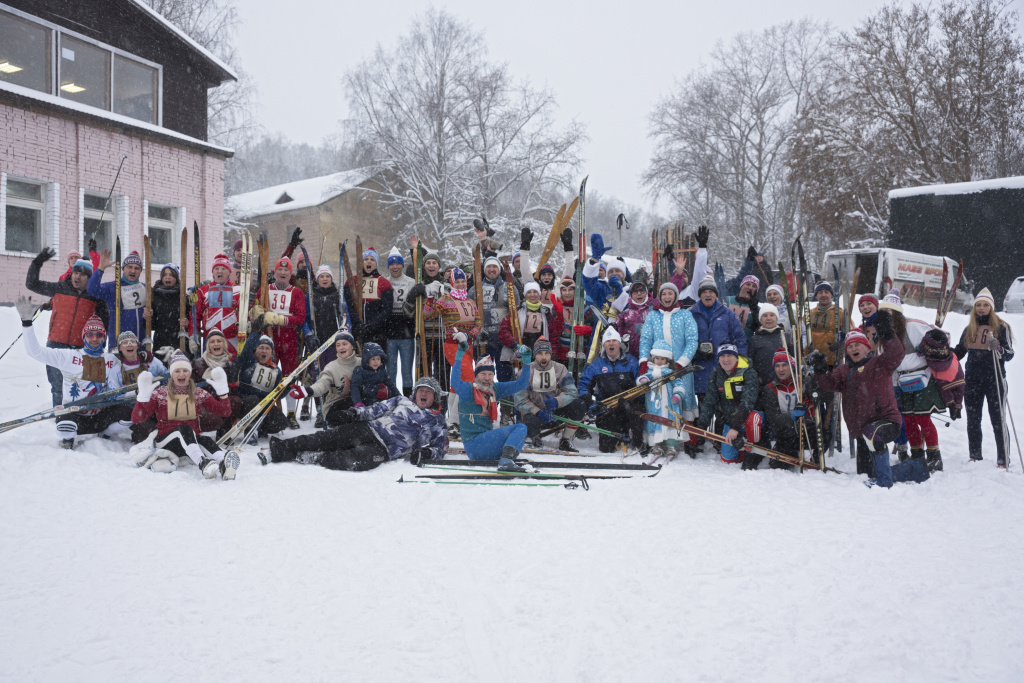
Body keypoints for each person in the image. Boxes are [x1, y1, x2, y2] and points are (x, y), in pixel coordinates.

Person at [812, 317, 929, 487]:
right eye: (850, 347)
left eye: (857, 345)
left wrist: (887, 333)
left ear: (867, 348)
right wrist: (820, 369)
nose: (854, 348)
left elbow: (897, 353)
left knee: (872, 437)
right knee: (867, 473)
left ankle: (884, 482)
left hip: (886, 422)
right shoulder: (844, 370)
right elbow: (828, 384)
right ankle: (918, 469)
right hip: (861, 432)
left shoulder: (880, 363)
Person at [262, 377, 447, 471]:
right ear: (415, 393)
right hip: (368, 430)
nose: (423, 394)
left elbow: (441, 447)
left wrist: (428, 453)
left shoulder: (437, 421)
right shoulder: (401, 401)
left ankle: (311, 457)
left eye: (428, 392)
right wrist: (352, 413)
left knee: (354, 460)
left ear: (435, 397)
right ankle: (281, 448)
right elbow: (375, 409)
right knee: (327, 438)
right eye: (421, 390)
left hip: (385, 450)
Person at [17, 299, 128, 449]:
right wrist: (27, 323)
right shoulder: (68, 356)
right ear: (84, 336)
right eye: (90, 334)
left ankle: (105, 433)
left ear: (103, 337)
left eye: (98, 334)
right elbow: (35, 352)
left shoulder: (112, 359)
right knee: (64, 424)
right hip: (75, 416)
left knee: (131, 412)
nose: (94, 338)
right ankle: (68, 440)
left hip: (101, 416)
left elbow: (133, 368)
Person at [131, 350, 238, 479]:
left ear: (190, 373)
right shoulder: (160, 394)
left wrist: (223, 393)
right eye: (177, 371)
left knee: (205, 439)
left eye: (185, 370)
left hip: (188, 444)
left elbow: (224, 412)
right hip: (165, 441)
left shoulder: (198, 393)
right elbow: (137, 418)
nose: (181, 374)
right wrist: (142, 397)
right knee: (184, 429)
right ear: (172, 374)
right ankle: (203, 463)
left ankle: (223, 464)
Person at [25, 247, 108, 406]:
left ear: (89, 277)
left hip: (81, 348)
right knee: (57, 387)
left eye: (83, 274)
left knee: (83, 386)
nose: (78, 276)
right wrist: (37, 262)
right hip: (56, 344)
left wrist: (101, 345)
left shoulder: (95, 297)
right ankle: (59, 417)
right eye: (76, 272)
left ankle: (81, 416)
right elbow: (32, 284)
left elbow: (104, 324)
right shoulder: (59, 288)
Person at [450, 336, 533, 471]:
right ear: (476, 376)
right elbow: (454, 382)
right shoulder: (467, 390)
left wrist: (527, 361)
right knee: (520, 428)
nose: (487, 378)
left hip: (487, 445)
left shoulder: (495, 389)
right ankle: (506, 461)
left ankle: (508, 458)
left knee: (519, 435)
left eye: (490, 374)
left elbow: (521, 384)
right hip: (474, 446)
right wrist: (459, 356)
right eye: (483, 374)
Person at [954, 288, 1015, 467]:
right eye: (978, 305)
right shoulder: (969, 329)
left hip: (994, 380)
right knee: (973, 419)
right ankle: (975, 455)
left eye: (985, 305)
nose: (981, 308)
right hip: (972, 380)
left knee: (998, 419)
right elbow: (959, 352)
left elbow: (1010, 354)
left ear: (991, 307)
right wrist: (942, 350)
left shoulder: (1001, 328)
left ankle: (1003, 459)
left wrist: (999, 349)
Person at [421, 266, 480, 437]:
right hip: (452, 345)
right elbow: (428, 315)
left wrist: (469, 334)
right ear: (452, 283)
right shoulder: (445, 300)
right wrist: (431, 297)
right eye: (458, 281)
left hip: (467, 344)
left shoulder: (470, 302)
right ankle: (455, 420)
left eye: (463, 281)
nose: (461, 284)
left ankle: (452, 421)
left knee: (458, 381)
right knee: (468, 378)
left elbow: (478, 324)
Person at [513, 337, 586, 452]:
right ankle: (534, 437)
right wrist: (539, 411)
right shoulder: (526, 372)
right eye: (540, 354)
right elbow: (520, 401)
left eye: (547, 353)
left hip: (557, 410)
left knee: (579, 404)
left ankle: (566, 440)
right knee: (529, 422)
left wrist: (557, 401)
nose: (543, 357)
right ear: (534, 355)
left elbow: (572, 392)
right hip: (537, 414)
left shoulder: (560, 369)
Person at [693, 344, 762, 464]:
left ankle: (753, 449)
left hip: (749, 418)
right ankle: (741, 450)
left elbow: (747, 402)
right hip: (729, 421)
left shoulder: (748, 372)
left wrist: (735, 428)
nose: (726, 359)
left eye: (729, 355)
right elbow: (709, 402)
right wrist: (702, 424)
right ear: (718, 359)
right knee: (728, 459)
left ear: (736, 357)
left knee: (752, 420)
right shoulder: (716, 375)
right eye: (722, 356)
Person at [580, 327, 644, 454]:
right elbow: (583, 386)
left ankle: (638, 443)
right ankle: (620, 434)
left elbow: (641, 386)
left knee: (638, 412)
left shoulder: (631, 362)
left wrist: (635, 402)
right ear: (603, 345)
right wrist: (590, 402)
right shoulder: (596, 365)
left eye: (614, 340)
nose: (611, 343)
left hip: (628, 405)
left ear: (619, 343)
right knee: (606, 448)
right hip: (608, 407)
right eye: (608, 341)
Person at [261, 256, 307, 428]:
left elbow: (300, 317)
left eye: (286, 270)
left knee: (289, 376)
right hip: (268, 339)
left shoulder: (296, 292)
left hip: (289, 339)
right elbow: (256, 311)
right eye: (280, 270)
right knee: (267, 375)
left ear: (290, 273)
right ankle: (267, 412)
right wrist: (258, 313)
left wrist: (281, 320)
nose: (282, 272)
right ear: (275, 272)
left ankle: (291, 413)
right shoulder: (265, 289)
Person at [747, 349, 806, 470]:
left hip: (806, 428)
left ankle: (815, 458)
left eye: (785, 365)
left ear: (791, 366)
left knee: (825, 436)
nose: (781, 369)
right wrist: (792, 416)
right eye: (777, 366)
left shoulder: (802, 382)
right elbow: (774, 419)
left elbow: (821, 398)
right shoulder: (770, 388)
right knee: (779, 465)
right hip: (786, 432)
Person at [689, 277, 747, 399]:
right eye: (704, 292)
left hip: (724, 371)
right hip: (699, 373)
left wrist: (737, 367)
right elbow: (683, 343)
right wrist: (696, 354)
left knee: (724, 413)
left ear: (716, 294)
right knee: (702, 413)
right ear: (700, 295)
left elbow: (739, 341)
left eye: (711, 291)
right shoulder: (690, 314)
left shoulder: (728, 314)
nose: (708, 295)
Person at [289, 330, 360, 427]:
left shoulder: (361, 363)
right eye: (338, 345)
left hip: (357, 405)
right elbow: (322, 383)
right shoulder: (331, 367)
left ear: (352, 345)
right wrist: (309, 390)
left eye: (344, 344)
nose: (341, 347)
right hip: (336, 406)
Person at [234, 317, 289, 440]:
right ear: (256, 350)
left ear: (271, 352)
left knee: (282, 422)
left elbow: (277, 394)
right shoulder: (249, 362)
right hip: (246, 403)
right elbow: (246, 351)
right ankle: (250, 430)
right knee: (252, 400)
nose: (263, 351)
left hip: (263, 405)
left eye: (267, 348)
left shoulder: (276, 371)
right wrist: (255, 334)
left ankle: (262, 427)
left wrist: (287, 387)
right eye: (261, 348)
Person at [87, 248, 147, 349]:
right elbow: (92, 289)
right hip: (118, 346)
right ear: (123, 268)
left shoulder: (146, 288)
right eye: (129, 267)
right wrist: (101, 268)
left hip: (141, 346)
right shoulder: (113, 287)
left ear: (141, 271)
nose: (133, 271)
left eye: (137, 268)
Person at [640, 340, 690, 458]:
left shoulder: (671, 372)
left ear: (667, 360)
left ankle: (671, 445)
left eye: (663, 359)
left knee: (670, 423)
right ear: (653, 358)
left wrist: (677, 395)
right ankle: (656, 444)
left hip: (670, 405)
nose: (660, 361)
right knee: (654, 421)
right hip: (654, 404)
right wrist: (643, 381)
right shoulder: (650, 371)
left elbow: (679, 383)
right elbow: (643, 378)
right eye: (657, 358)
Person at [189, 329, 240, 436]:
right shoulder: (198, 363)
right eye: (212, 341)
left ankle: (224, 431)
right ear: (208, 346)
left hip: (222, 403)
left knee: (236, 401)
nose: (216, 344)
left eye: (219, 341)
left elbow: (234, 393)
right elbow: (190, 387)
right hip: (204, 405)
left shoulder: (229, 365)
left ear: (224, 344)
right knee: (213, 418)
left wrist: (233, 380)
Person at [190, 253, 241, 353]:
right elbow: (195, 315)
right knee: (210, 367)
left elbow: (245, 313)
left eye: (223, 268)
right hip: (210, 339)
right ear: (212, 272)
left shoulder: (238, 290)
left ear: (229, 272)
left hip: (232, 338)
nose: (220, 271)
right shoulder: (203, 291)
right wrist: (193, 335)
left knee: (231, 367)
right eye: (216, 268)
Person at [382, 248, 416, 396]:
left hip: (406, 331)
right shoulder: (384, 282)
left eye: (398, 264)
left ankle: (408, 399)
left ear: (402, 265)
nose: (395, 267)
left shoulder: (411, 282)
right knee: (391, 370)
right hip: (389, 332)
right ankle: (392, 397)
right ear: (388, 266)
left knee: (407, 371)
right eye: (392, 264)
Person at [348, 247, 394, 350]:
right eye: (366, 259)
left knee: (376, 363)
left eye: (372, 259)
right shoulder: (352, 281)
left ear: (376, 263)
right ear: (362, 263)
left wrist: (371, 326)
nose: (369, 261)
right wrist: (358, 324)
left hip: (377, 334)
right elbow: (348, 305)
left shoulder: (384, 283)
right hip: (357, 333)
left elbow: (387, 309)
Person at [149, 263, 190, 356]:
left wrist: (187, 323)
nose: (167, 278)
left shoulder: (183, 297)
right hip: (160, 341)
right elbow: (151, 325)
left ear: (176, 278)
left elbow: (191, 320)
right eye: (164, 275)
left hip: (180, 340)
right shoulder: (154, 296)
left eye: (171, 275)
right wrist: (148, 317)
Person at [349, 342, 398, 407]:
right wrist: (358, 402)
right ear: (367, 360)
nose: (376, 361)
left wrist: (399, 397)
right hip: (366, 403)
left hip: (383, 403)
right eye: (373, 359)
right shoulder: (360, 371)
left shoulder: (382, 371)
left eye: (378, 359)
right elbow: (355, 387)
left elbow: (391, 385)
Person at [747, 305, 787, 385]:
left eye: (772, 315)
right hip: (764, 385)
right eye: (765, 316)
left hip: (785, 385)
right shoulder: (754, 340)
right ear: (760, 320)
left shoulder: (786, 337)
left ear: (776, 318)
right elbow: (751, 364)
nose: (769, 318)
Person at [616, 281, 654, 360]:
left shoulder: (653, 310)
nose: (639, 294)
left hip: (651, 353)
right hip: (631, 354)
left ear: (646, 292)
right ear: (631, 295)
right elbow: (619, 330)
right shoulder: (625, 314)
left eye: (641, 291)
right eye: (635, 292)